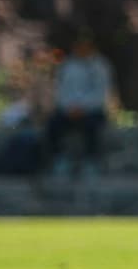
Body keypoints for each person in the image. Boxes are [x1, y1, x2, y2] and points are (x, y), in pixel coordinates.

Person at [45, 30, 113, 176]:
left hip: (91, 110)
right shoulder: (67, 65)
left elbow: (100, 93)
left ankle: (91, 161)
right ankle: (59, 159)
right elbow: (61, 90)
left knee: (92, 126)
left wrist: (83, 108)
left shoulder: (100, 66)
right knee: (53, 124)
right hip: (68, 110)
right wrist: (69, 108)